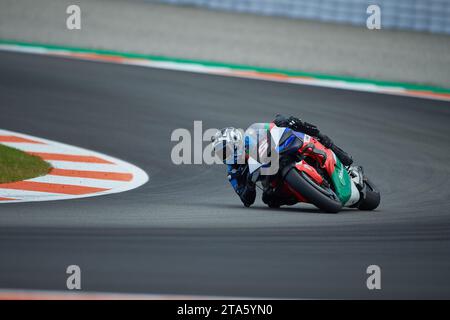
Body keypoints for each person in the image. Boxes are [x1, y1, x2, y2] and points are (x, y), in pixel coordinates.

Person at [212, 115, 361, 208]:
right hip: (274, 179)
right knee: (269, 199)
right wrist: (250, 184)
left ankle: (339, 158)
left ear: (235, 142)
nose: (225, 155)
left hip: (282, 151)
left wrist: (280, 122)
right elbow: (246, 200)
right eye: (221, 154)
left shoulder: (251, 136)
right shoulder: (233, 171)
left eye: (225, 150)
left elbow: (271, 127)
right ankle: (314, 192)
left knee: (289, 121)